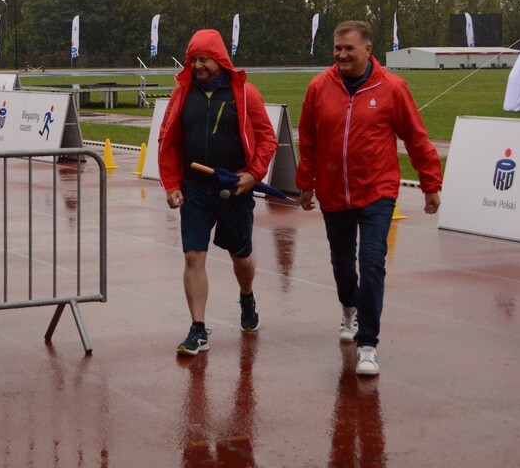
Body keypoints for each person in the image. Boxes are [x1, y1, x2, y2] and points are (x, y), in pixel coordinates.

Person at [296, 20, 442, 377]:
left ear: (367, 50)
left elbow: (416, 137)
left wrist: (430, 182)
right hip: (333, 191)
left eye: (349, 48)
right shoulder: (319, 88)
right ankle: (349, 307)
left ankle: (368, 344)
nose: (342, 55)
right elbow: (309, 140)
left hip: (377, 190)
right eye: (337, 48)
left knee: (373, 262)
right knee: (343, 264)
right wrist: (305, 183)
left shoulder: (392, 88)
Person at [158, 29, 278, 356]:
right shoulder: (182, 94)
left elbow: (267, 139)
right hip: (194, 189)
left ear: (220, 60)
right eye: (193, 59)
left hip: (234, 189)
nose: (197, 66)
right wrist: (172, 184)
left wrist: (253, 175)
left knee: (241, 257)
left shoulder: (245, 94)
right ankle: (198, 329)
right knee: (193, 256)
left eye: (204, 59)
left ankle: (247, 296)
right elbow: (168, 142)